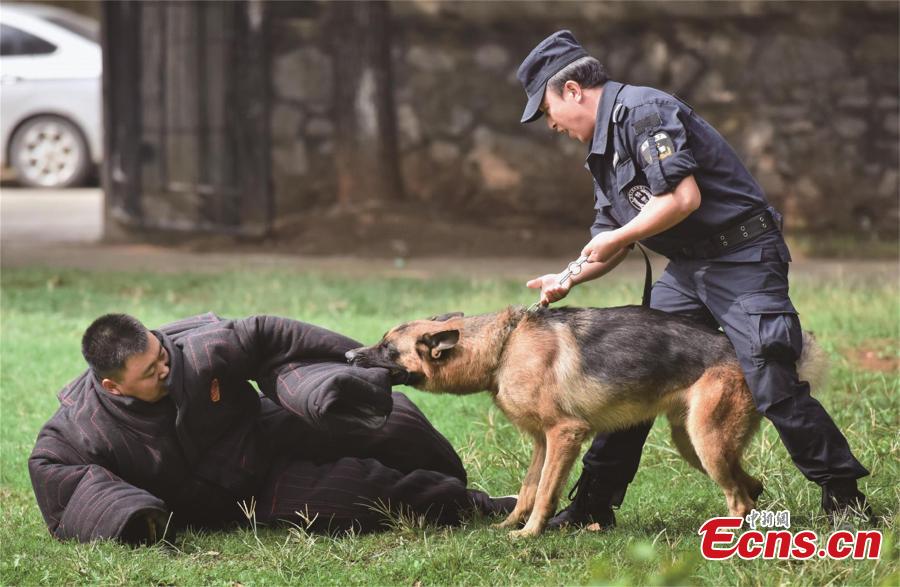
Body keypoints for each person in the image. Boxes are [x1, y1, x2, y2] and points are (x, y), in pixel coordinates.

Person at [515, 30, 873, 530]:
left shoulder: (643, 112)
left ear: (572, 90)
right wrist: (570, 276)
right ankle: (592, 505)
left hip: (744, 254)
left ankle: (844, 496)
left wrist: (618, 235)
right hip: (688, 269)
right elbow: (611, 240)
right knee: (631, 368)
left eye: (547, 109)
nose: (550, 123)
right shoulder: (600, 148)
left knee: (770, 374)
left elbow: (681, 200)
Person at [29, 312, 514, 545]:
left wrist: (349, 373)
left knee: (392, 422)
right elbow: (50, 468)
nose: (165, 369)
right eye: (150, 372)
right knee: (362, 494)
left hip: (262, 430)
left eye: (160, 354)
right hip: (241, 495)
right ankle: (474, 504)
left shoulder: (198, 347)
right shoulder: (83, 423)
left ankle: (451, 472)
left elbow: (270, 336)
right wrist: (126, 512)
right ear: (115, 387)